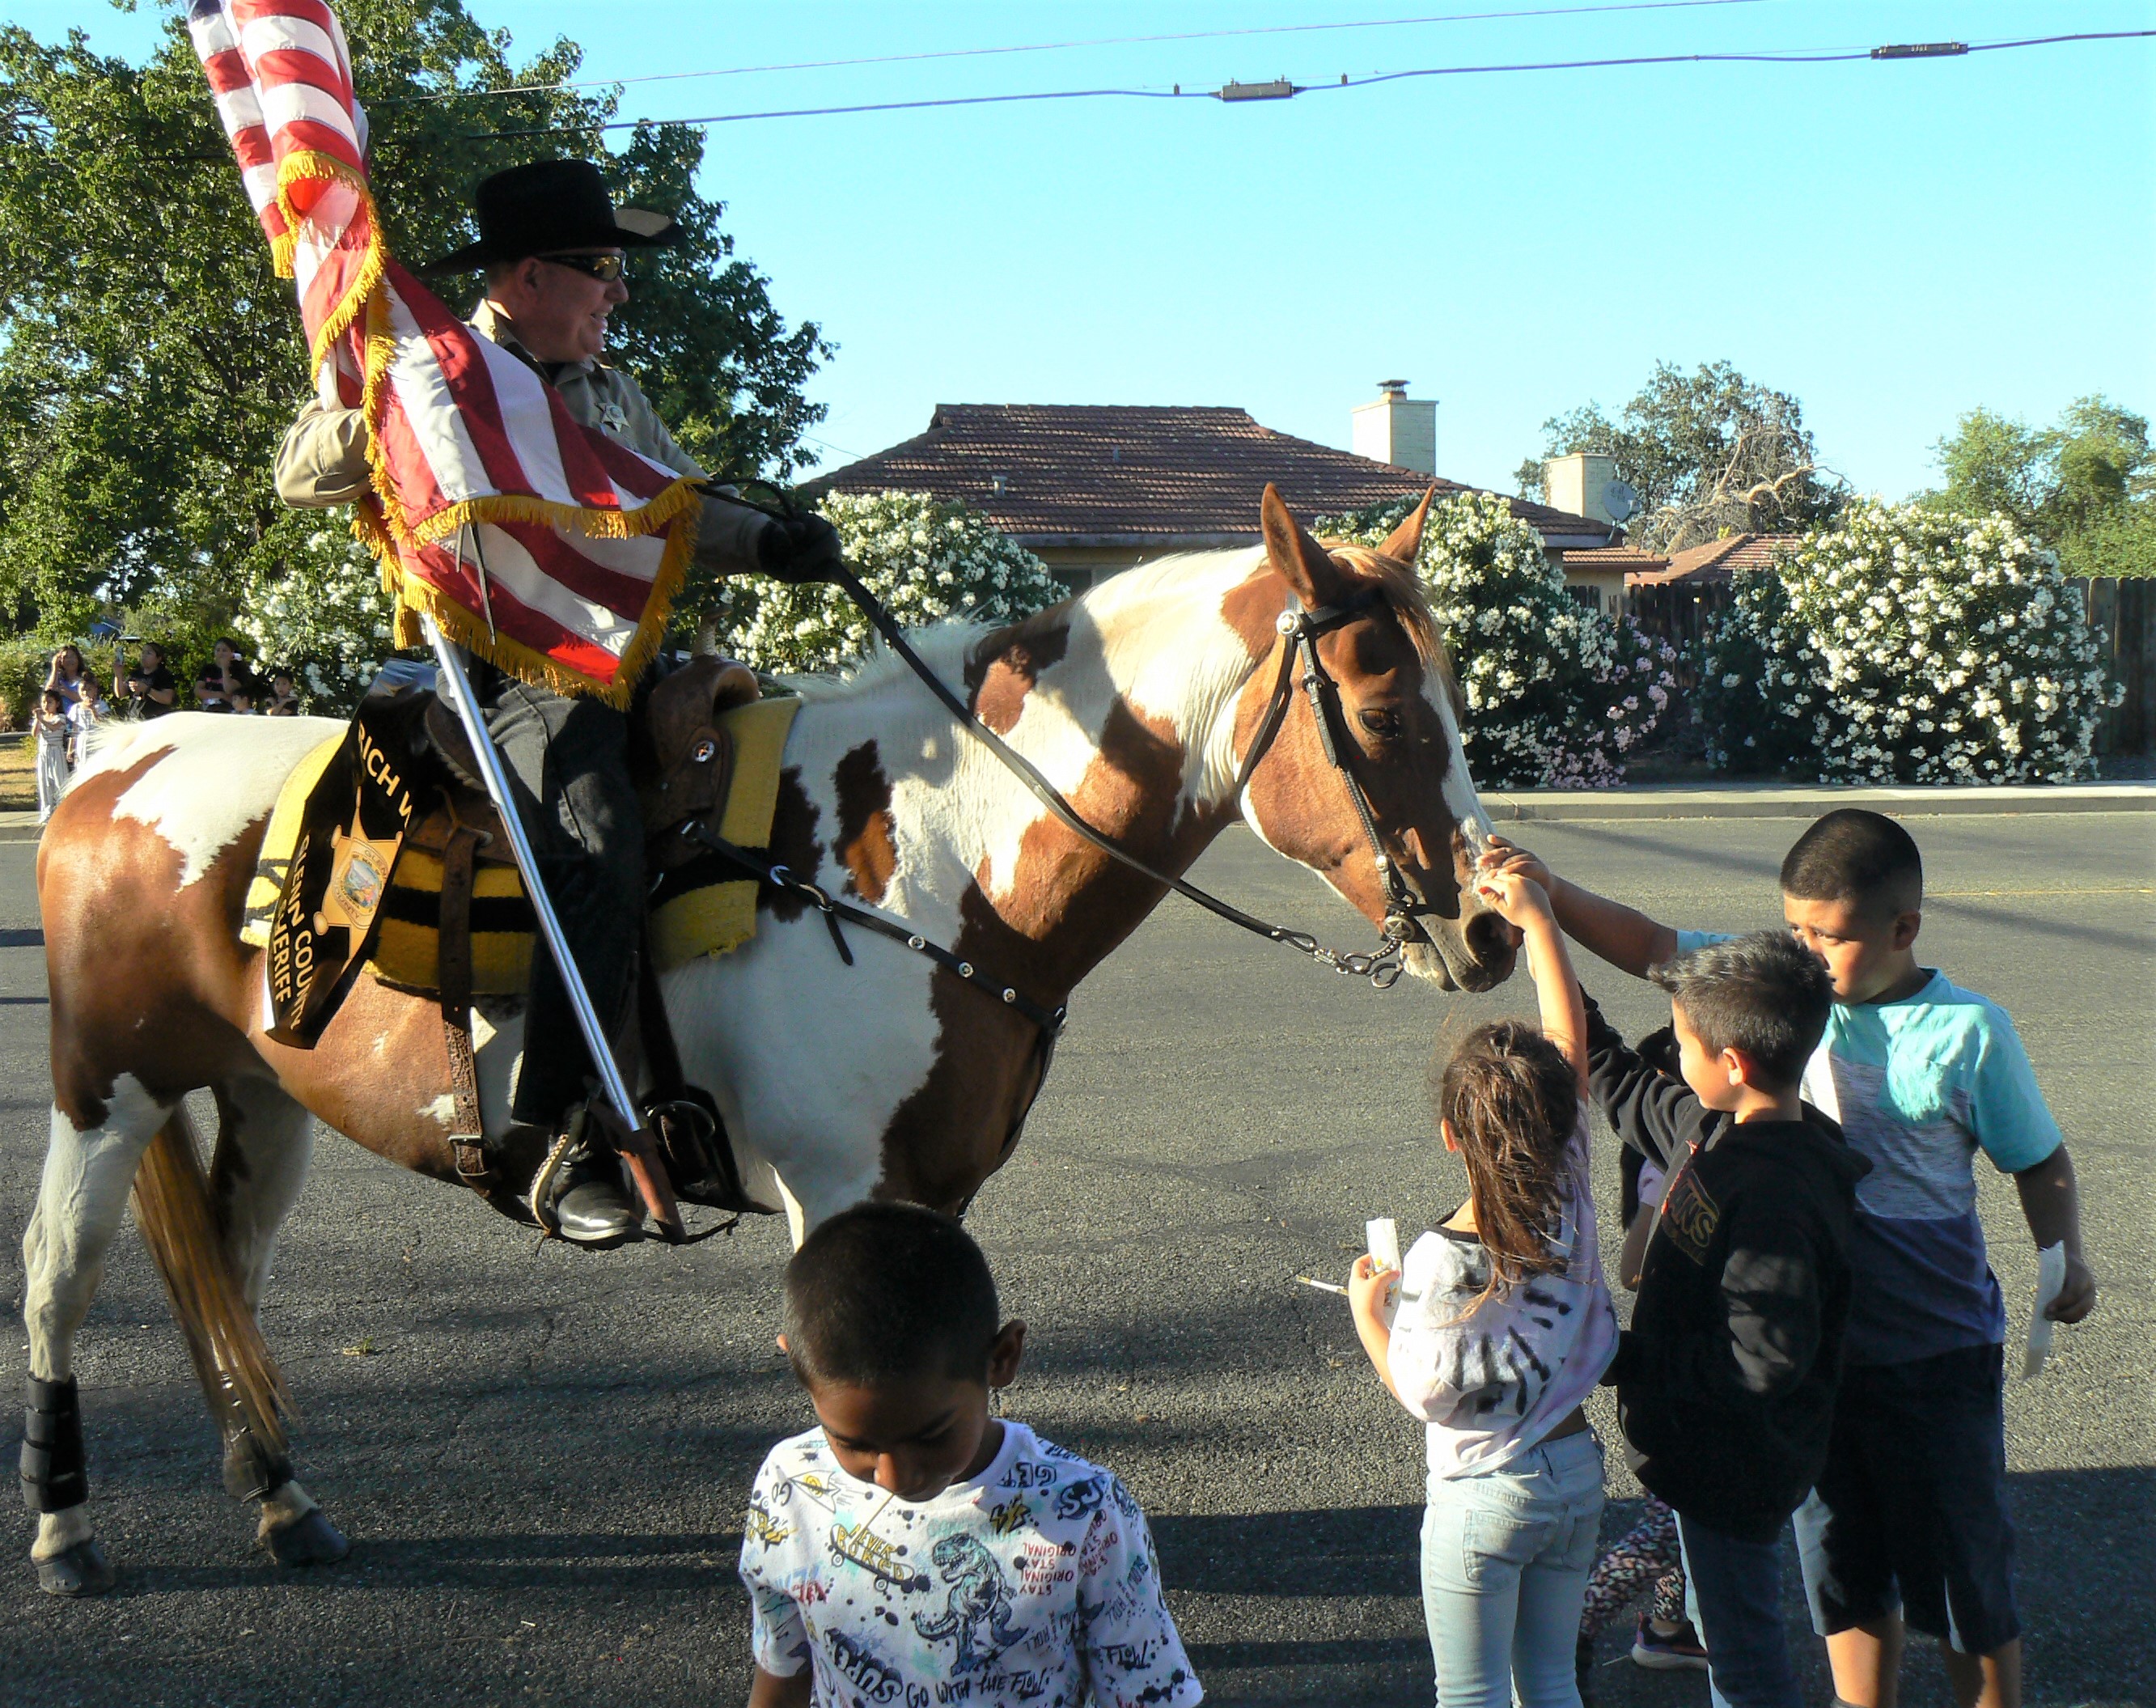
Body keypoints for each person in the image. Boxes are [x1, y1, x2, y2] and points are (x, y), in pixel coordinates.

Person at [273, 158, 842, 1244]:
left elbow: (671, 503)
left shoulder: (607, 391)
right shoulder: (425, 371)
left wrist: (773, 539)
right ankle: (558, 1126)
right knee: (596, 838)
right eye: (601, 273)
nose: (618, 295)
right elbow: (302, 470)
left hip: (635, 665)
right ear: (530, 276)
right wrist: (400, 412)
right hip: (507, 672)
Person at [1496, 811, 2098, 1708]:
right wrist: (1547, 893)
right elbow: (1656, 946)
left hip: (1934, 1356)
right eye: (1797, 930)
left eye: (1834, 935)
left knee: (1963, 1574)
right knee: (1842, 1567)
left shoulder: (1969, 1030)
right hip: (1823, 1365)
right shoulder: (1779, 987)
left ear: (1903, 928)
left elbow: (2037, 1156)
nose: (1810, 951)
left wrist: (2065, 1252)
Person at [739, 1202, 1203, 1708]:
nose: (894, 1476)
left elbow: (1147, 1689)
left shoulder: (1086, 1509)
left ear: (1002, 1359)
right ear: (797, 1367)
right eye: (854, 1444)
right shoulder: (791, 1485)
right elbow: (782, 1662)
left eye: (931, 1435)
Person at [1346, 867, 1617, 1708]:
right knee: (1548, 1681)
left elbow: (1431, 1390)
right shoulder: (1567, 1181)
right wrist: (1539, 925)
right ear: (1562, 1119)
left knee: (1468, 1693)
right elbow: (1567, 1045)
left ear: (1448, 1137)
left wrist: (1369, 1320)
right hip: (1574, 1472)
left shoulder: (1439, 1260)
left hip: (1483, 1494)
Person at [1576, 932, 1861, 1708]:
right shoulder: (1714, 1127)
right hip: (1700, 1457)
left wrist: (1617, 1353)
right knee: (1724, 1637)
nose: (1670, 1055)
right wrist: (1538, 933)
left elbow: (1760, 1362)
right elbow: (1612, 1074)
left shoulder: (1778, 1195)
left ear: (1730, 1063)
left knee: (1744, 1664)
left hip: (1734, 1470)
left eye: (1681, 1042)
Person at [1574, 1143, 1705, 1681]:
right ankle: (1572, 1624)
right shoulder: (1673, 1159)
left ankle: (1668, 1629)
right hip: (1677, 1376)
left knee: (1682, 1518)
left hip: (1689, 1370)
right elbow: (1633, 1268)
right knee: (1671, 1525)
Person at [32, 689, 71, 821]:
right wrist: (38, 719)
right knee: (44, 783)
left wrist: (41, 720)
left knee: (60, 782)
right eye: (43, 702)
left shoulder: (61, 718)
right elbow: (34, 733)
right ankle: (47, 813)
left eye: (49, 702)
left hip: (56, 751)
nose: (46, 705)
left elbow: (53, 728)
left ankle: (63, 812)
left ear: (57, 704)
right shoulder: (41, 718)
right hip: (43, 753)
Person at [117, 642, 177, 719]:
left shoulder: (164, 675)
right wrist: (118, 675)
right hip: (133, 718)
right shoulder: (136, 674)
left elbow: (167, 699)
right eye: (143, 653)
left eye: (149, 653)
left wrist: (147, 689)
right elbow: (121, 694)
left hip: (155, 719)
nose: (144, 656)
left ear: (159, 659)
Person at [67, 672, 112, 769]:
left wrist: (93, 710)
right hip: (82, 741)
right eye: (82, 690)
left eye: (89, 689)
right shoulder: (76, 708)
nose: (85, 693)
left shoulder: (101, 705)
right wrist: (71, 748)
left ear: (95, 690)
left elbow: (103, 724)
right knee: (81, 766)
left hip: (96, 740)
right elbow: (74, 730)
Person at [195, 637, 251, 712]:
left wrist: (225, 668)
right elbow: (198, 691)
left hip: (230, 710)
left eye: (224, 651)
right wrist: (221, 695)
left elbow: (229, 690)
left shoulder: (238, 670)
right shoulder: (207, 669)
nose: (221, 654)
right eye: (218, 650)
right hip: (209, 709)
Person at [43, 645, 86, 714]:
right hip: (60, 721)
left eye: (72, 657)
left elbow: (87, 699)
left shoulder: (85, 678)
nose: (69, 660)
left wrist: (66, 692)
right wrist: (55, 668)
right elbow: (48, 693)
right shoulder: (59, 679)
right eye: (66, 657)